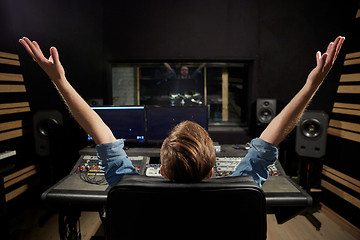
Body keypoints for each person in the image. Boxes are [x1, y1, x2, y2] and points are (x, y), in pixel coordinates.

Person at [19, 36, 345, 187]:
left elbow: (98, 128)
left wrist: (59, 81)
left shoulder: (125, 182)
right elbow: (274, 135)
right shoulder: (242, 184)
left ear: (160, 170)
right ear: (214, 168)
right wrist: (312, 84)